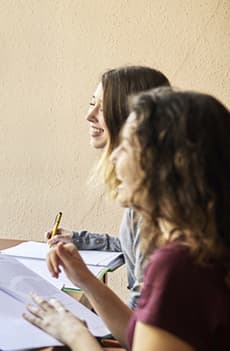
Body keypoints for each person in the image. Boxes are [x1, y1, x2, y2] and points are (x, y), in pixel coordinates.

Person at [26, 89, 230, 350]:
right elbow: (140, 338)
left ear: (165, 165)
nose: (112, 157)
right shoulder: (204, 250)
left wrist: (74, 334)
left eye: (125, 146)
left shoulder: (180, 266)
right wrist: (84, 279)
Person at [45, 66, 170, 308]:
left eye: (102, 107)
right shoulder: (148, 194)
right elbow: (134, 247)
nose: (89, 115)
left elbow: (139, 332)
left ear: (133, 116)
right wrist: (80, 239)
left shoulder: (151, 207)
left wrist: (73, 326)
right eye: (92, 103)